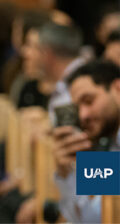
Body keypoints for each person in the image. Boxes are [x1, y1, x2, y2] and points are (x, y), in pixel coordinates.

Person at [51, 60, 120, 223]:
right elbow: (91, 217)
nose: (83, 116)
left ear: (117, 89)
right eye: (77, 108)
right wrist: (68, 172)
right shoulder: (105, 144)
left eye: (89, 101)